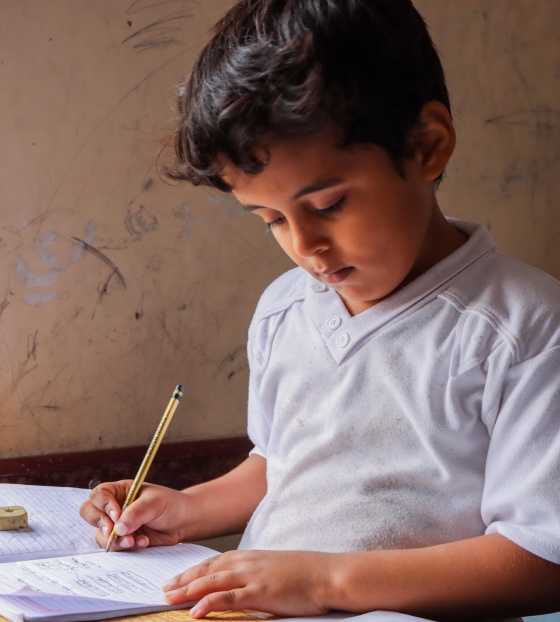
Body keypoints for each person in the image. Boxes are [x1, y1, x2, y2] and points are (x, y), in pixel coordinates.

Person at [80, 0, 560, 620]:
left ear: (428, 146)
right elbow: (284, 464)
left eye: (329, 204)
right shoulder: (285, 310)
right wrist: (186, 508)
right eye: (272, 220)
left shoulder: (525, 331)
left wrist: (328, 581)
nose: (305, 247)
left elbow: (543, 558)